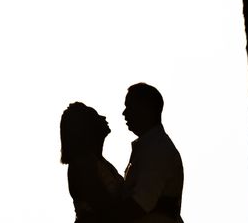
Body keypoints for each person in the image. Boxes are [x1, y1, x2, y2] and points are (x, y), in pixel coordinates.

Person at [121, 82, 184, 223]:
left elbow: (140, 204)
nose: (124, 113)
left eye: (129, 107)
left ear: (146, 109)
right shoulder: (151, 147)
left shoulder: (157, 150)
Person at [59, 101, 131, 222]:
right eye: (96, 116)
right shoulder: (82, 165)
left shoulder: (98, 162)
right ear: (86, 128)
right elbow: (105, 208)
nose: (103, 117)